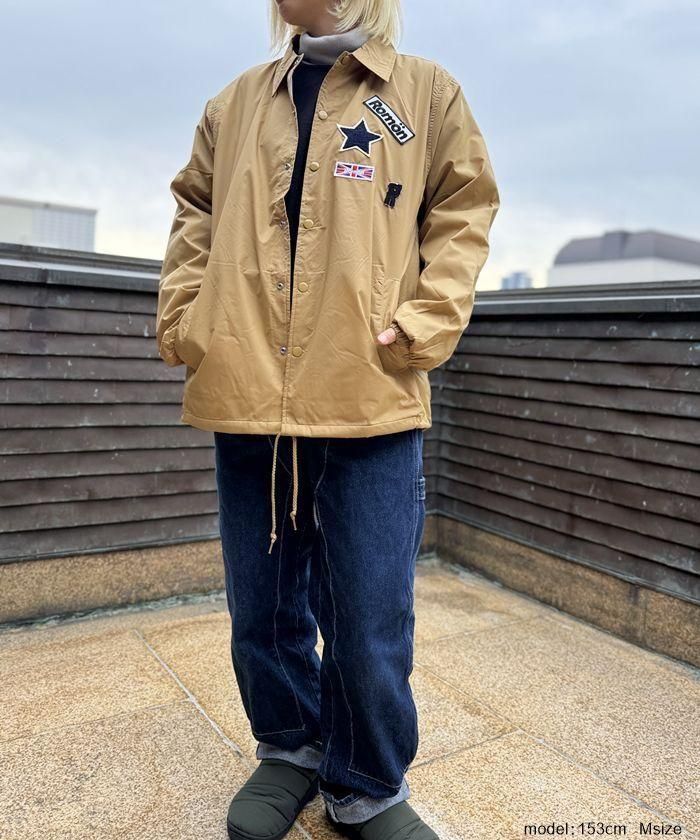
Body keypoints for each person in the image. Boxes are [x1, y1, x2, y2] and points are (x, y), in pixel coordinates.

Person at [156, 0, 500, 837]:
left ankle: (367, 784)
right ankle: (289, 748)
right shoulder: (235, 103)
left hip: (369, 387)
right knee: (263, 604)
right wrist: (187, 316)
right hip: (249, 388)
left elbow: (464, 210)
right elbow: (195, 211)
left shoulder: (424, 94)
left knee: (370, 612)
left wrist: (425, 321)